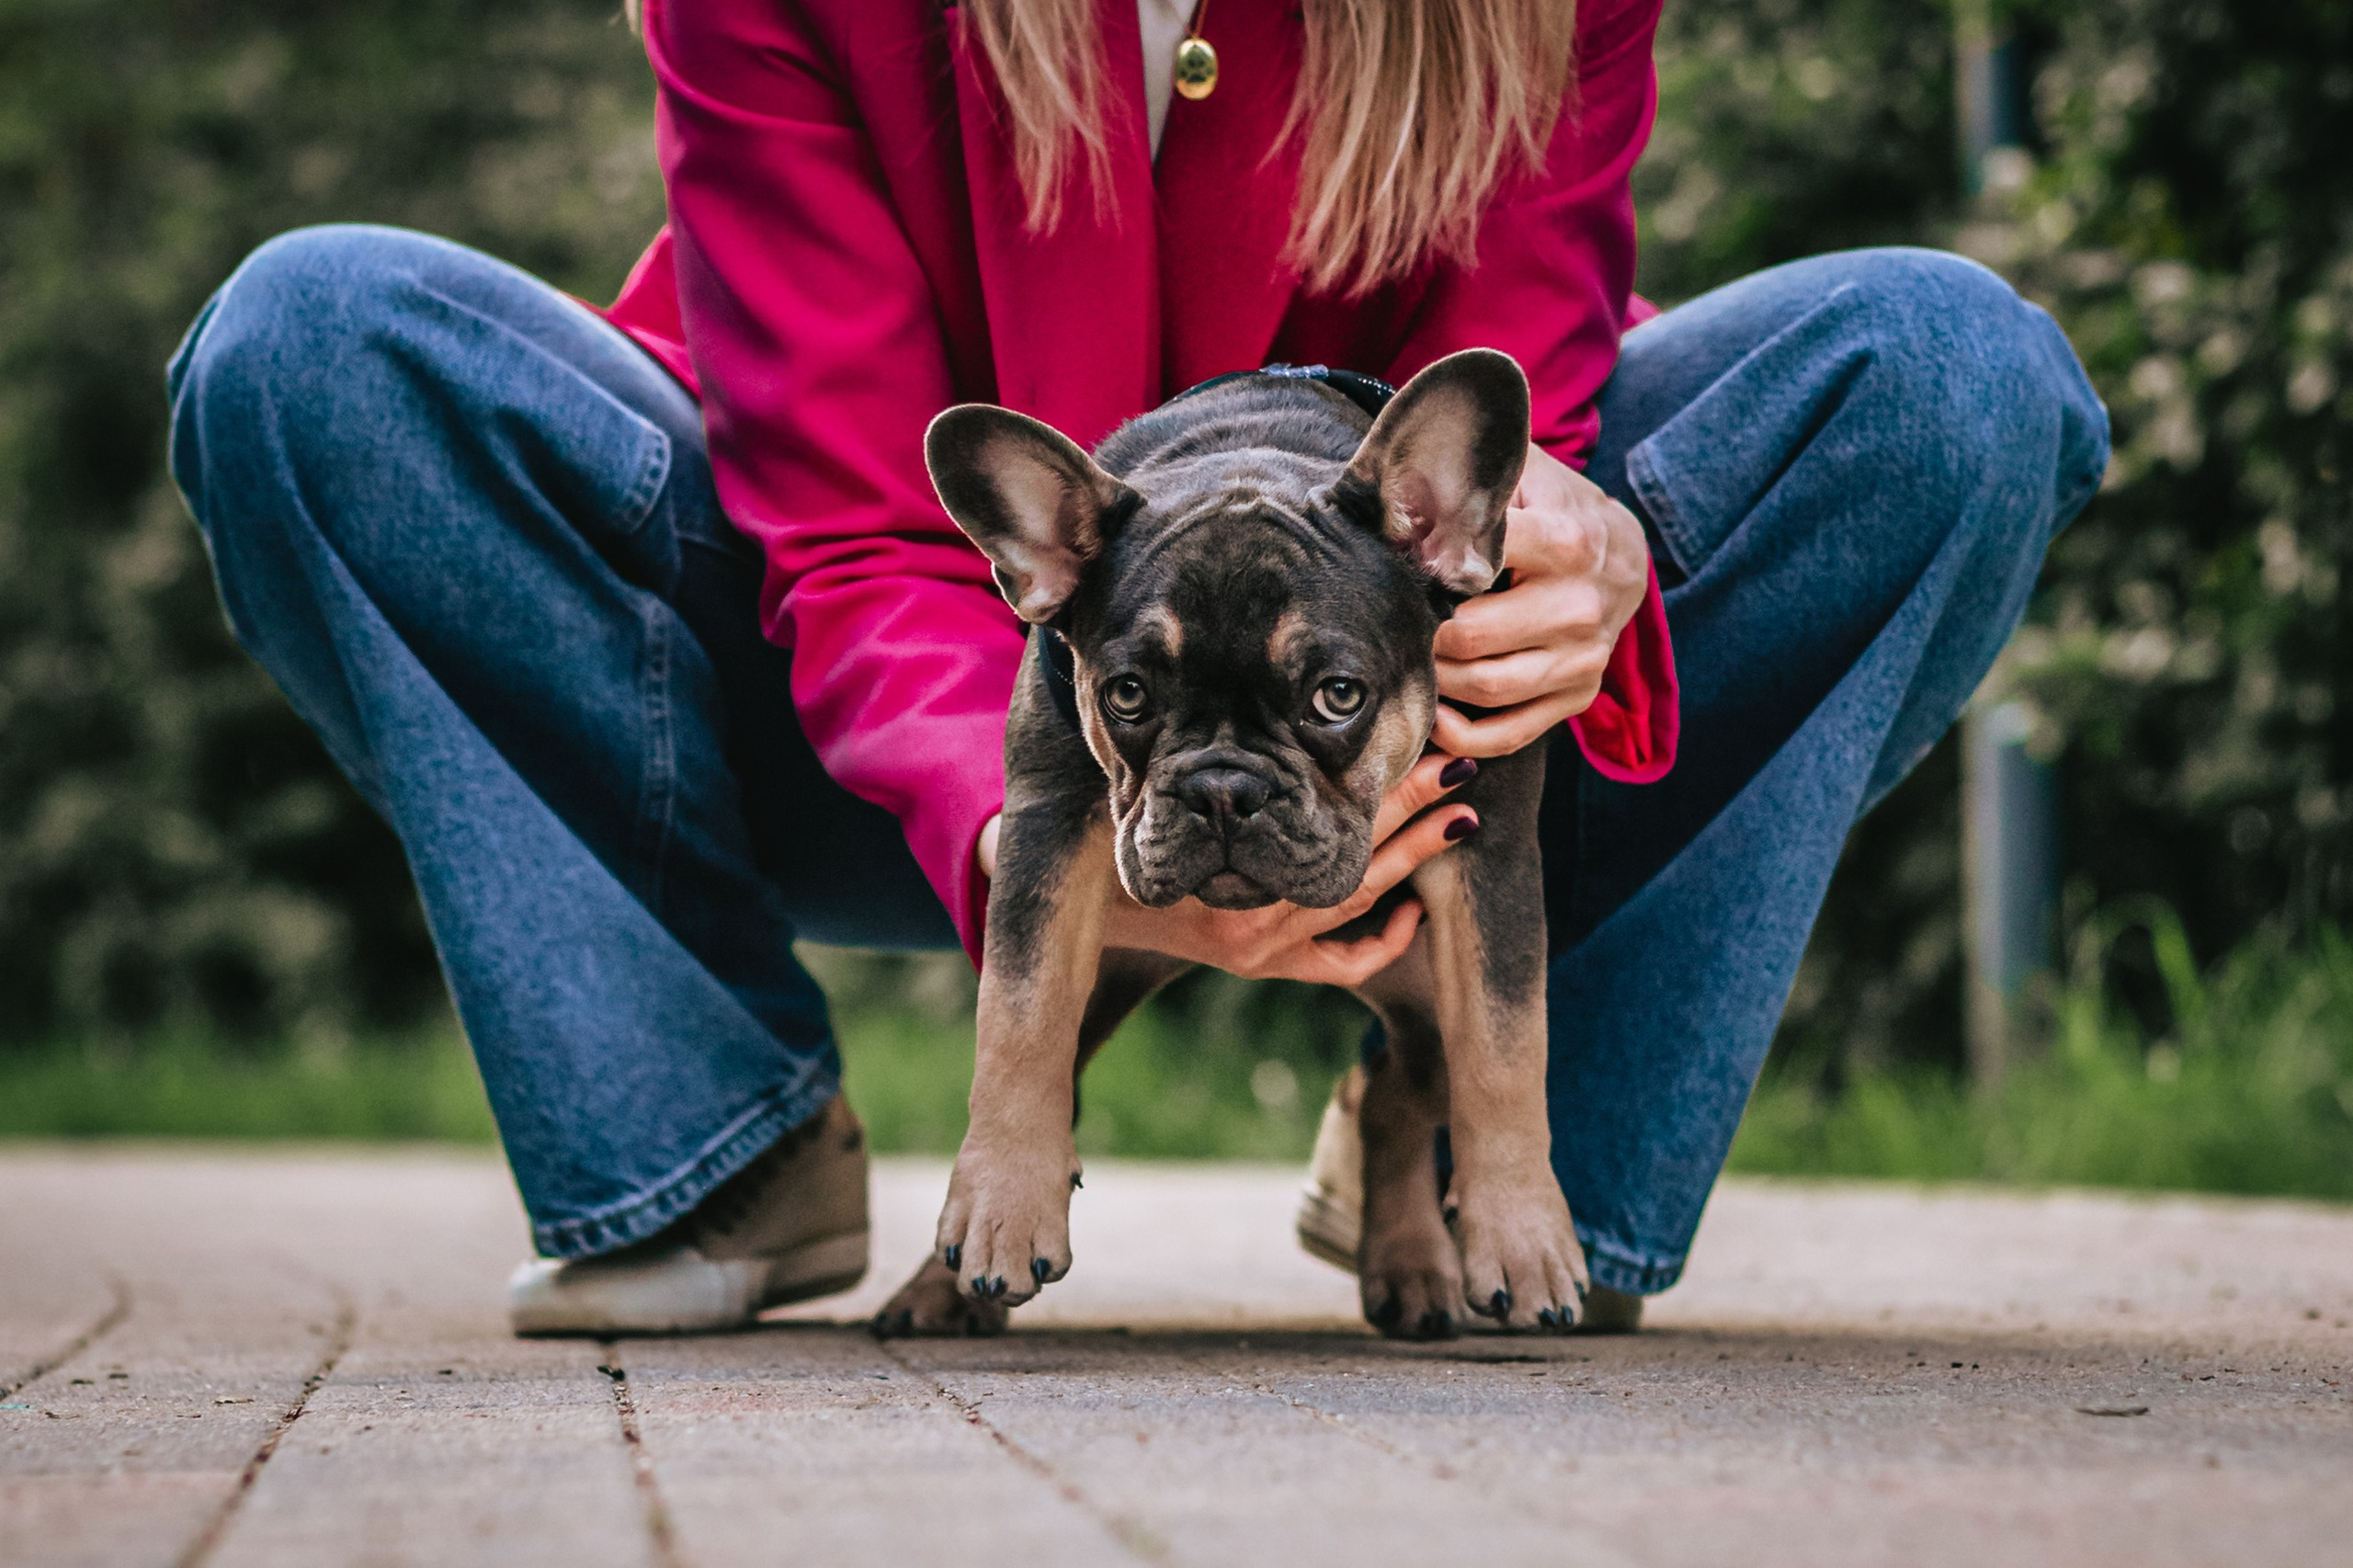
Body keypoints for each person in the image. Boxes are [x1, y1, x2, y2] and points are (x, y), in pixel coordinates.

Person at [164, 0, 2109, 1336]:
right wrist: (1075, 834)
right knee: (314, 346)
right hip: (869, 676)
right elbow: (848, 543)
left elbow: (1516, 397)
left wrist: (1583, 555)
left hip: (1395, 703)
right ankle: (704, 1148)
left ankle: (1487, 1131)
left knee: (1953, 378)